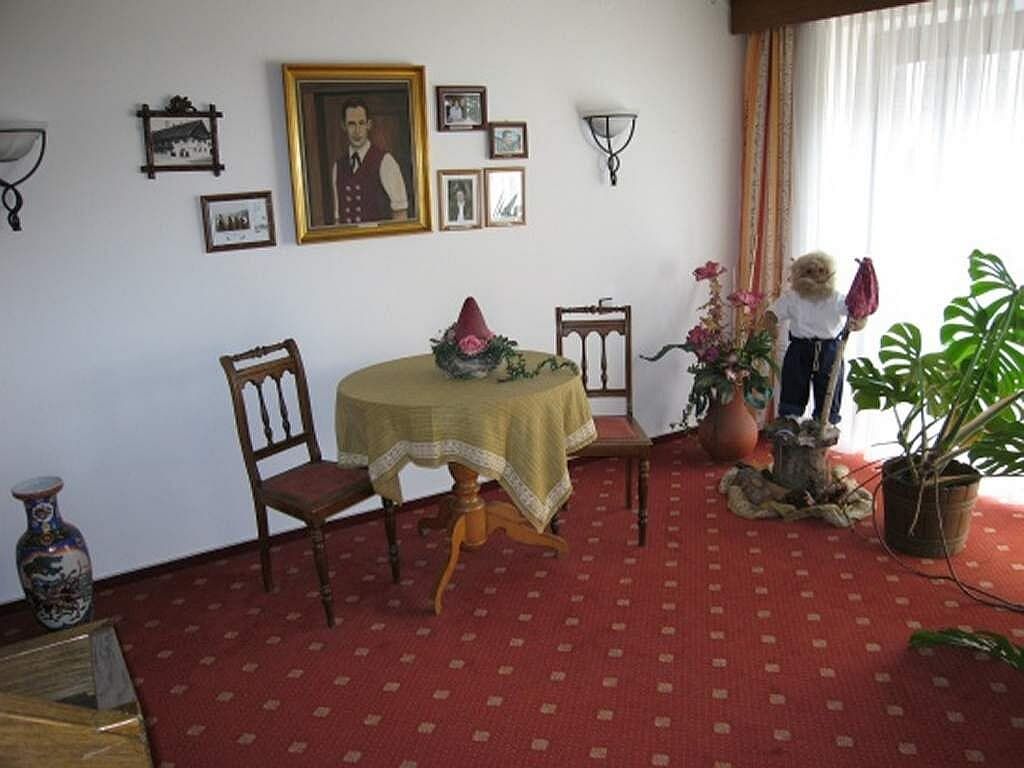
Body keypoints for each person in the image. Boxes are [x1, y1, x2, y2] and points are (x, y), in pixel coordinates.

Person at [765, 251, 865, 426]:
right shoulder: (792, 297)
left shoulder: (836, 298)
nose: (815, 276)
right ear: (799, 273)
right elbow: (772, 313)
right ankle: (790, 419)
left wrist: (860, 322)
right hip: (799, 348)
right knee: (794, 381)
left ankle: (825, 421)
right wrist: (771, 325)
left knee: (829, 385)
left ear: (829, 273)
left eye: (821, 271)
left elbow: (856, 311)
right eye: (809, 272)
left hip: (829, 349)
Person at [332, 97, 409, 224]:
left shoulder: (386, 161)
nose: (357, 131)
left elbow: (400, 213)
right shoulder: (338, 166)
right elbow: (338, 218)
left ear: (369, 125)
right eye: (351, 124)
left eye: (361, 123)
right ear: (344, 126)